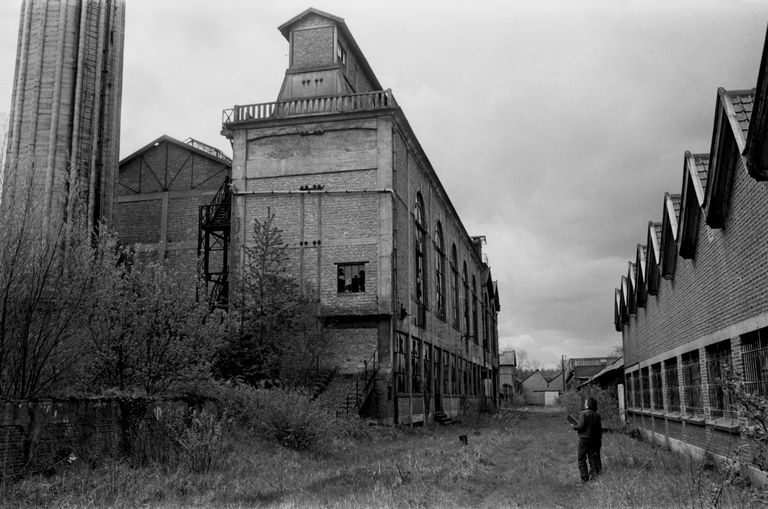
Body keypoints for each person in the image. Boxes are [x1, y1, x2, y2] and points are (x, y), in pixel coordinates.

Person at [571, 396, 602, 483]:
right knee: (593, 458)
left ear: (588, 404)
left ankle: (585, 480)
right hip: (595, 440)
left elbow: (580, 426)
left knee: (581, 459)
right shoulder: (597, 415)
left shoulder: (583, 413)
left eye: (586, 402)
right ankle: (595, 479)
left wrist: (574, 426)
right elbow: (599, 428)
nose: (584, 404)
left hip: (584, 439)